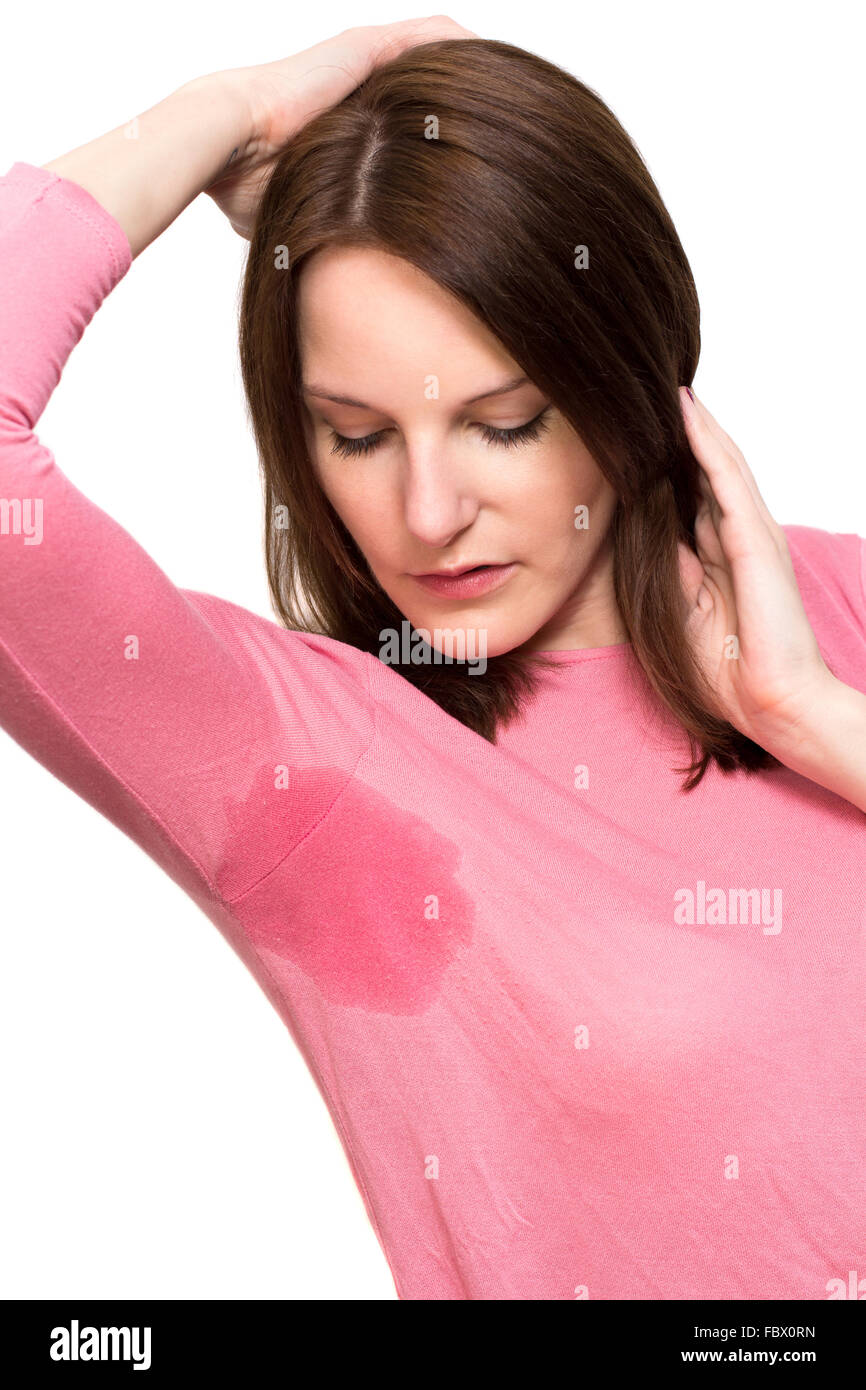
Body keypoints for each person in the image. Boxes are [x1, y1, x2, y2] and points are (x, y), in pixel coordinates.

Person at [1, 16, 864, 1301]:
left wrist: (811, 716)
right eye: (354, 436)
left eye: (501, 423)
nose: (426, 512)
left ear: (628, 372)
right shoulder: (310, 764)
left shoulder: (829, 597)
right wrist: (226, 111)